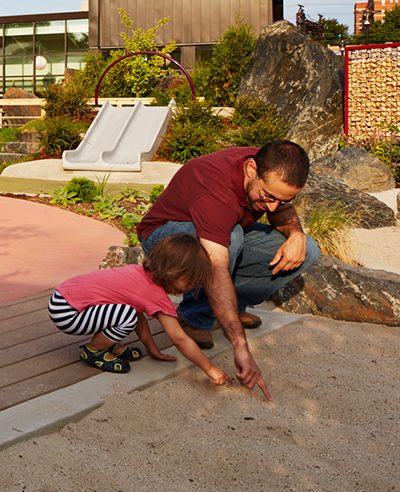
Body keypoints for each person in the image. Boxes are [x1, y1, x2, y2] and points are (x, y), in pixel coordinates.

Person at [137, 139, 321, 401]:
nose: (271, 207)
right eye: (268, 197)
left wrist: (296, 234)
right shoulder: (216, 191)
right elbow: (217, 267)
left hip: (221, 229)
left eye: (282, 200)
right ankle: (193, 318)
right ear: (251, 170)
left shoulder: (266, 170)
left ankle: (230, 308)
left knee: (308, 249)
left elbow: (280, 210)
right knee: (231, 238)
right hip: (164, 236)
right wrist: (239, 345)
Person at [47, 234, 230, 384]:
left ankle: (107, 344)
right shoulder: (155, 295)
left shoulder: (141, 274)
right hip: (67, 312)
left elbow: (138, 314)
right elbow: (179, 339)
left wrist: (152, 349)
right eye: (189, 282)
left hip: (63, 299)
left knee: (127, 312)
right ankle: (94, 350)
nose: (189, 288)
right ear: (175, 272)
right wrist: (210, 368)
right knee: (126, 316)